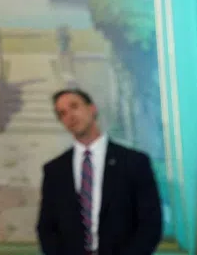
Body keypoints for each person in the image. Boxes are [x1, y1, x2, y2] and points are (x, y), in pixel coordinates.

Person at [36, 88, 163, 255]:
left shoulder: (134, 162)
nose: (70, 116)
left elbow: (151, 223)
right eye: (62, 113)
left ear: (92, 109)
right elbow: (46, 227)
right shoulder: (55, 170)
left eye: (74, 106)